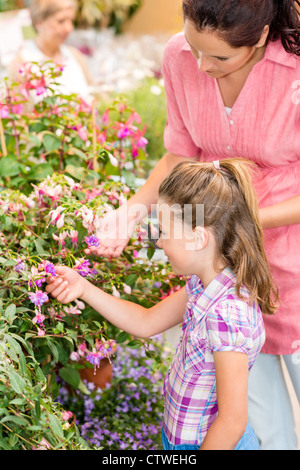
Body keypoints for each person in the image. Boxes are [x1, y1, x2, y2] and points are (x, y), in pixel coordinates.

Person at [85, 0, 300, 450]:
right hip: (228, 260)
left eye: (219, 57)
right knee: (267, 426)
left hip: (292, 263)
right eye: (193, 46)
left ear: (260, 36)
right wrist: (132, 211)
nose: (200, 65)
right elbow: (179, 152)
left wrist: (238, 217)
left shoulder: (294, 67)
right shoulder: (179, 55)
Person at [46, 158, 278, 450]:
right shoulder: (202, 286)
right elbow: (146, 322)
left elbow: (232, 422)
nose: (159, 243)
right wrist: (83, 287)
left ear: (197, 239)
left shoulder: (226, 313)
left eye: (165, 232)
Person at [8, 0, 93, 102]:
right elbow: (17, 111)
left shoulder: (75, 56)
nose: (69, 28)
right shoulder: (21, 64)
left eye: (71, 20)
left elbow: (93, 96)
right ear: (38, 22)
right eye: (61, 21)